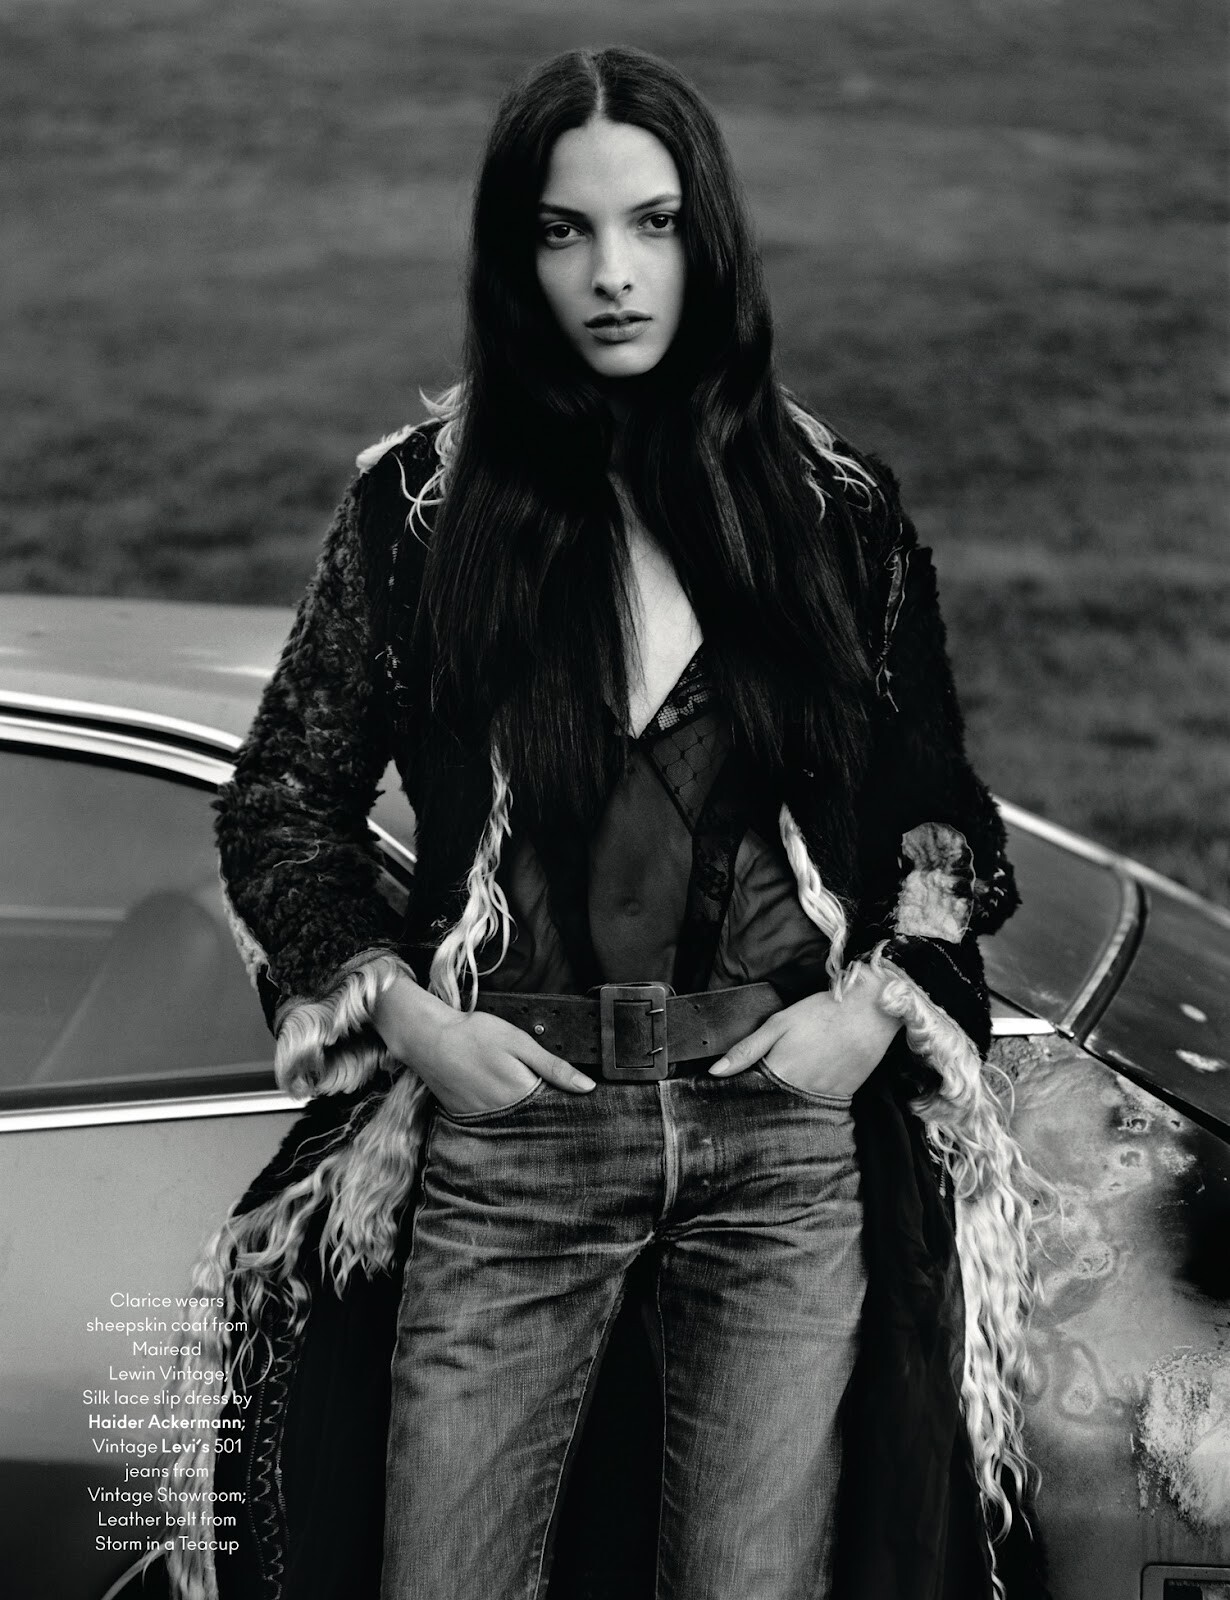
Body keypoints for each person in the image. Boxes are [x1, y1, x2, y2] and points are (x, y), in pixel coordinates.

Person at [171, 44, 1050, 1600]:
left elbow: (934, 813)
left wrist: (869, 1011)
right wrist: (406, 1018)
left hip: (778, 1140)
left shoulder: (834, 511)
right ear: (513, 260)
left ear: (706, 241)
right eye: (563, 233)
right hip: (511, 1137)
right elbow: (284, 801)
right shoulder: (417, 515)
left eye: (651, 225)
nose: (613, 275)